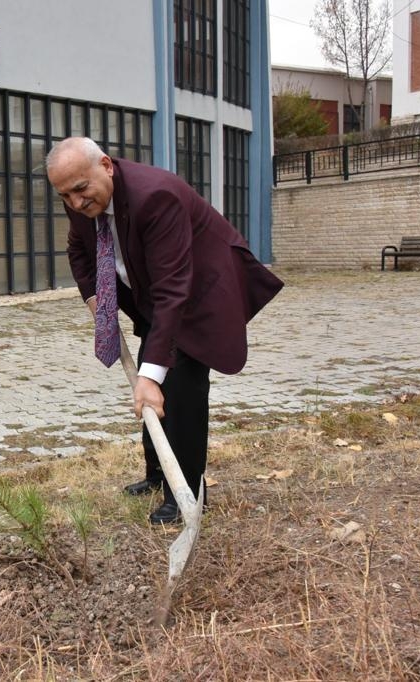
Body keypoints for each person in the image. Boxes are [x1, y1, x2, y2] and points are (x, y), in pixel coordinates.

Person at [46, 137, 284, 524]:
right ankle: (158, 473)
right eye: (65, 195)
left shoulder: (155, 196)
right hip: (158, 292)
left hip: (200, 292)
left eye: (80, 189)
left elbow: (175, 290)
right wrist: (95, 299)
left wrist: (153, 374)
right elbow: (79, 248)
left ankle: (187, 491)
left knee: (181, 386)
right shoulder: (81, 200)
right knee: (150, 377)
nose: (75, 203)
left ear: (105, 166)